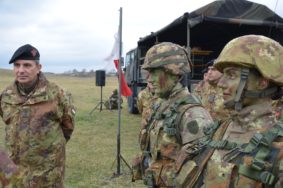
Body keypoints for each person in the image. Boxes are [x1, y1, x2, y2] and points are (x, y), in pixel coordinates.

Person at [184, 35, 283, 187]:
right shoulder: (220, 129)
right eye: (223, 75)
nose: (221, 83)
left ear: (262, 83)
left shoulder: (278, 146)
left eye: (231, 75)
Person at [132, 42, 213, 187]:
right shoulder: (161, 105)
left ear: (173, 72)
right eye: (148, 73)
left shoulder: (193, 114)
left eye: (154, 72)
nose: (149, 79)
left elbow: (199, 174)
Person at [0, 44, 76, 187]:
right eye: (17, 65)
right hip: (14, 172)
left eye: (27, 65)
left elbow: (67, 127)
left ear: (39, 67)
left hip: (47, 172)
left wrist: (47, 150)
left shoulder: (57, 94)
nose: (21, 70)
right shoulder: (6, 96)